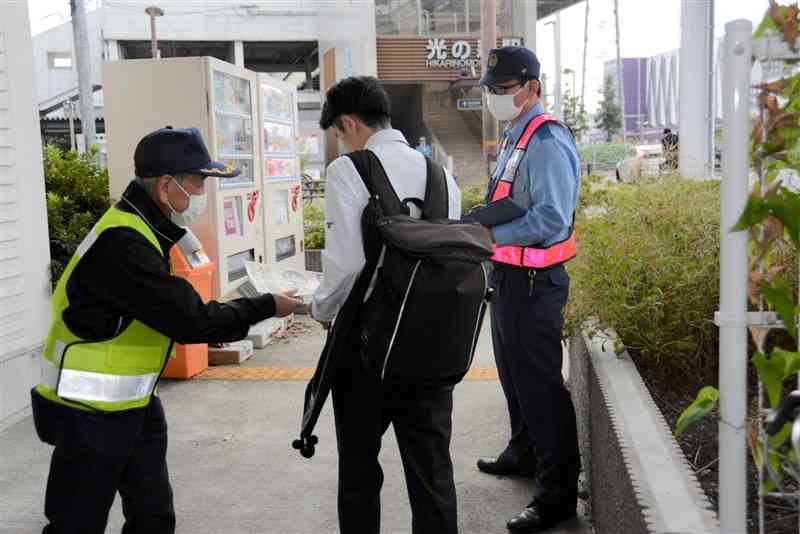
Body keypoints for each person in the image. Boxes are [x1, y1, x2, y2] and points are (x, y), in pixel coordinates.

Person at [31, 126, 302, 534]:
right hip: (89, 414)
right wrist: (267, 305)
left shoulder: (144, 228)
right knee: (76, 523)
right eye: (197, 182)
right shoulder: (123, 242)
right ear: (165, 186)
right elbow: (191, 320)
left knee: (153, 516)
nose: (201, 194)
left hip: (134, 404)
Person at [311, 76, 462, 534]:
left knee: (359, 468)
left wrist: (320, 309)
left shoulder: (348, 170)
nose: (339, 143)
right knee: (432, 470)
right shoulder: (442, 175)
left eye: (337, 133)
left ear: (349, 123)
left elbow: (348, 263)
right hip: (433, 343)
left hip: (366, 347)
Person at [474, 47, 582, 533]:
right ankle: (522, 450)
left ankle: (556, 494)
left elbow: (552, 217)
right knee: (514, 377)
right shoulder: (514, 137)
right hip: (509, 277)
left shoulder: (547, 139)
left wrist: (491, 235)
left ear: (531, 88)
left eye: (503, 90)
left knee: (540, 387)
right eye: (491, 90)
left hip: (537, 282)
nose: (495, 98)